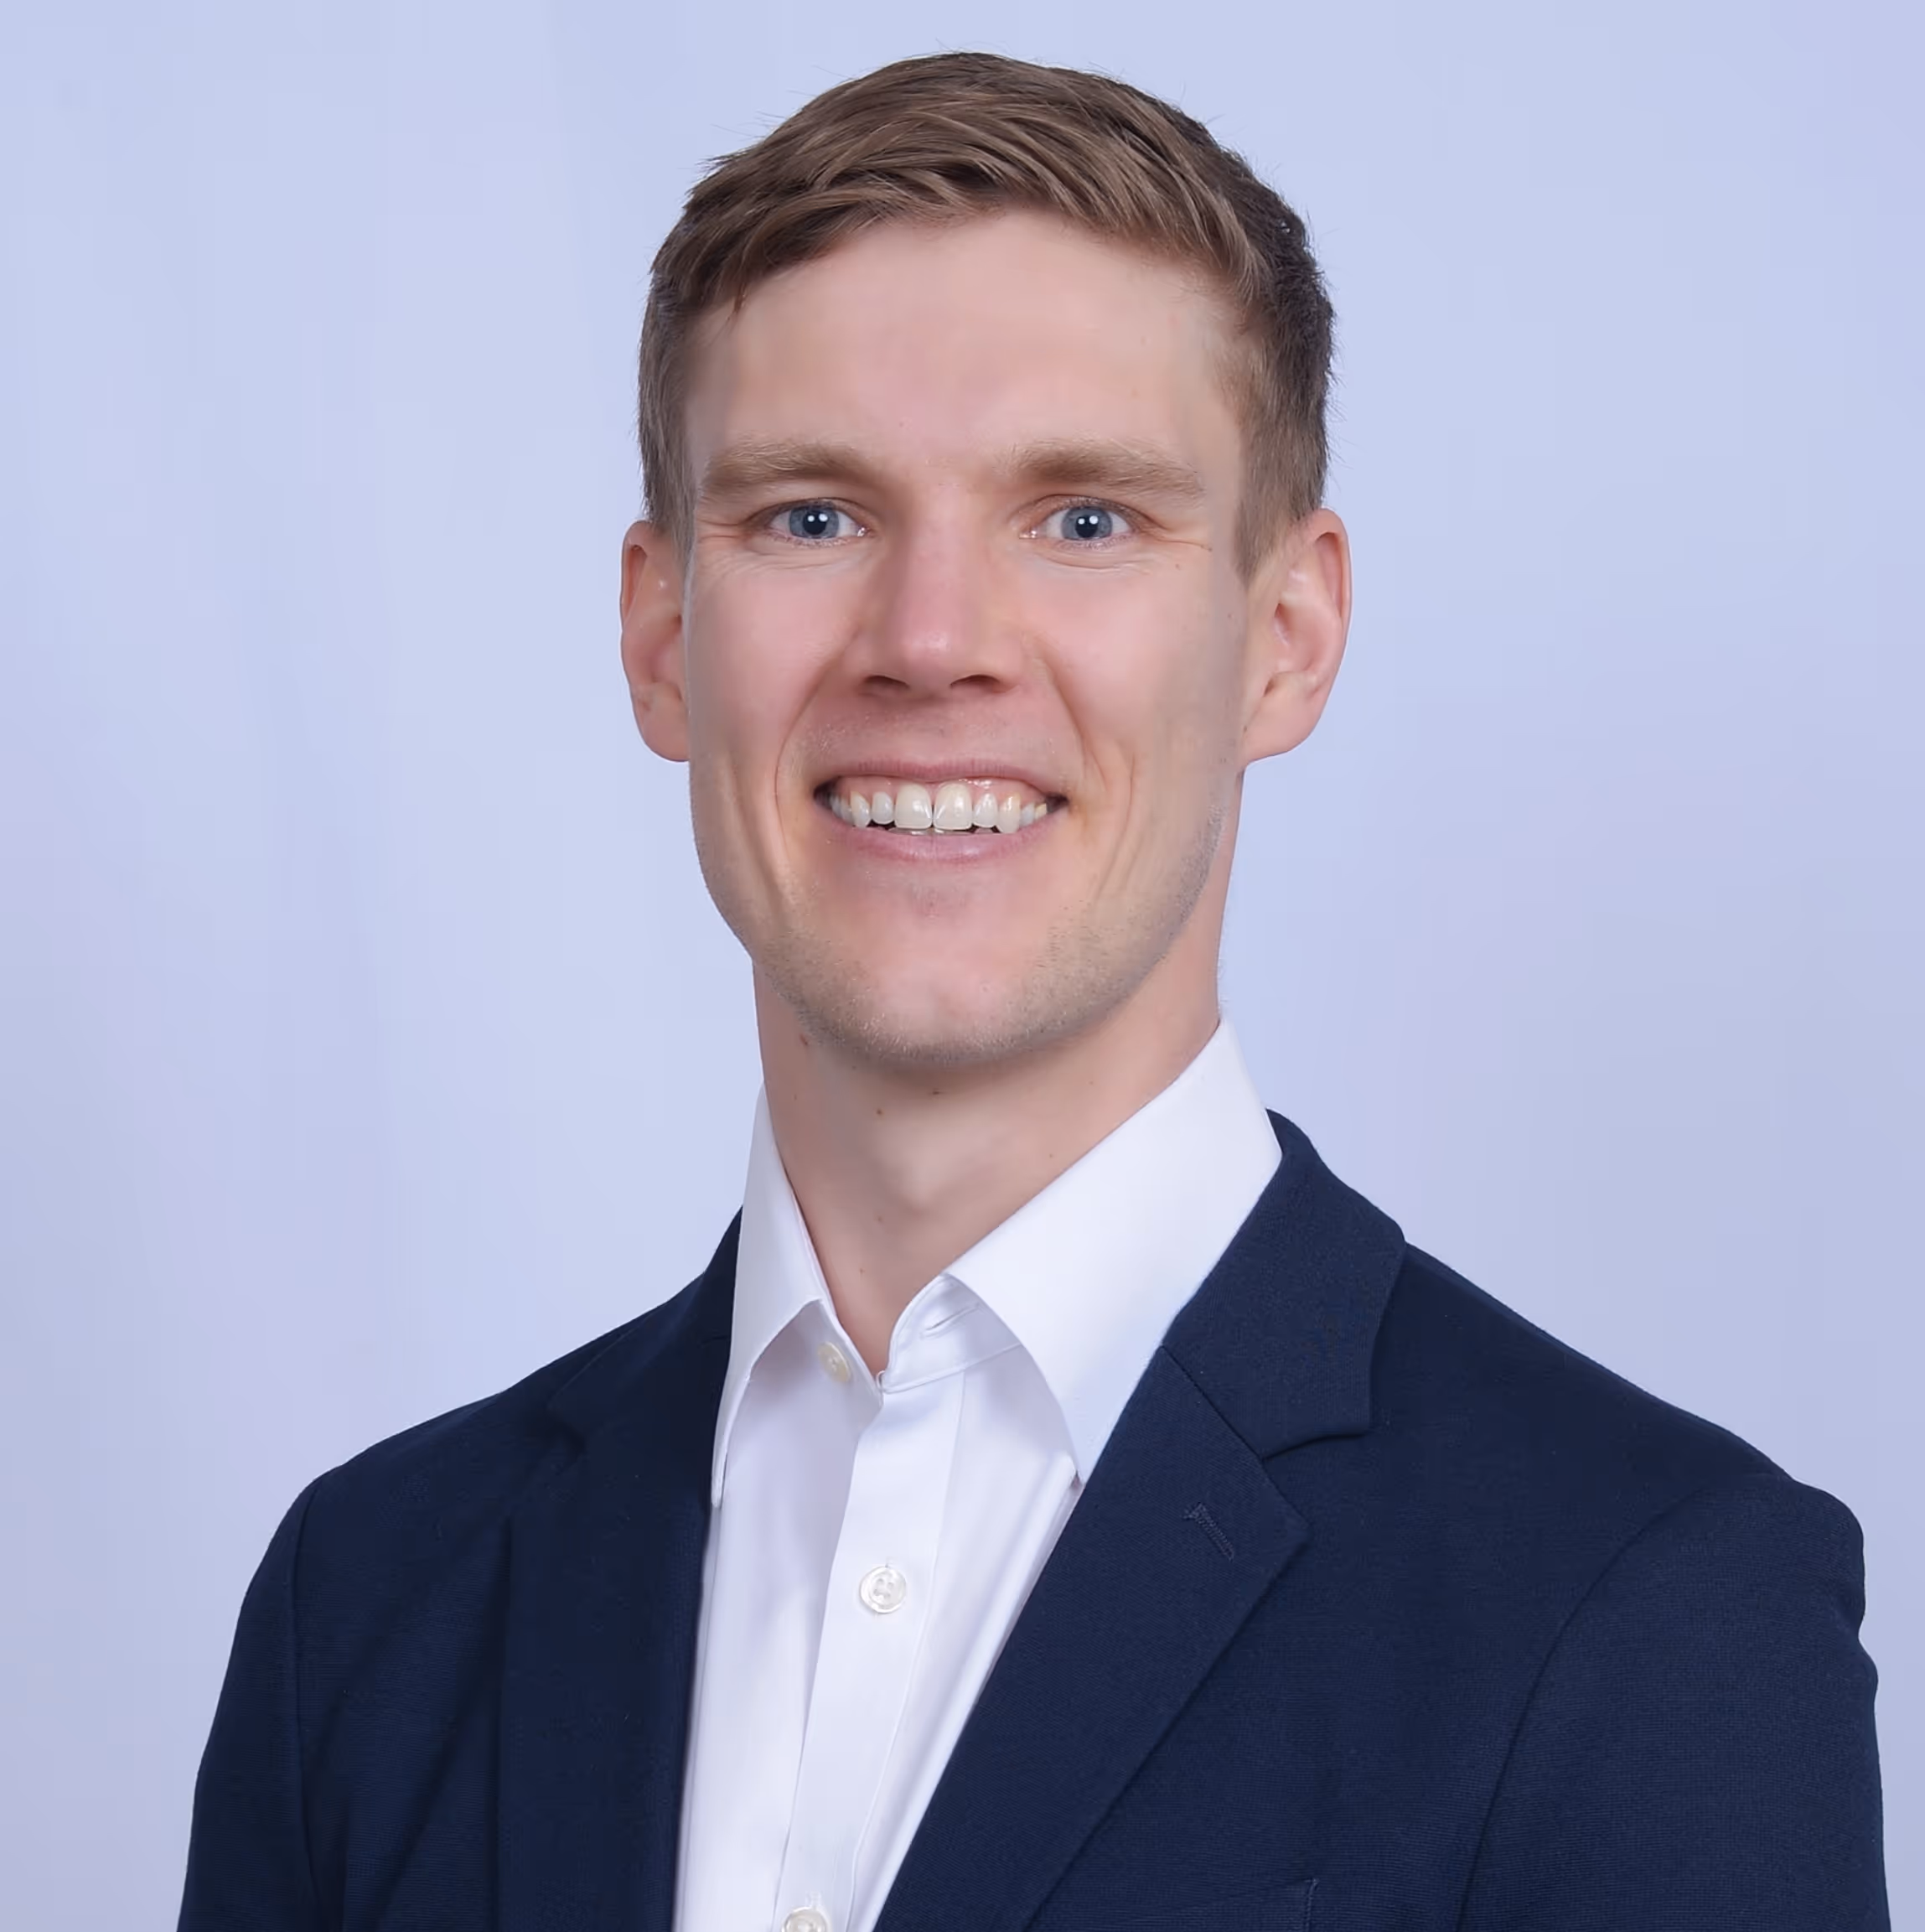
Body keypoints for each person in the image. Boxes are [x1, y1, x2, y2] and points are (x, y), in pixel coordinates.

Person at [178, 50, 1889, 1932]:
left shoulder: (1650, 1615)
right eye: (811, 515)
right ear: (662, 637)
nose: (930, 644)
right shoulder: (372, 1606)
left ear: (1287, 636)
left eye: (1083, 519)